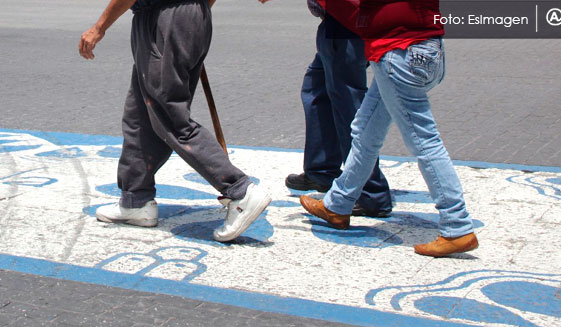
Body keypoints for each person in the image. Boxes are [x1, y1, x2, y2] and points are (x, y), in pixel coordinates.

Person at [79, 0, 271, 242]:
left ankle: (239, 190)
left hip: (163, 16)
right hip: (187, 16)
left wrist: (99, 27)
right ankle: (135, 200)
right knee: (140, 114)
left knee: (170, 116)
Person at [299, 0, 479, 257]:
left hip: (400, 52)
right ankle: (338, 204)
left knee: (423, 139)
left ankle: (457, 225)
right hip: (423, 48)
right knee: (365, 130)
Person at [259, 0, 393, 218]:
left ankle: (369, 192)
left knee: (348, 105)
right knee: (317, 88)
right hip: (344, 19)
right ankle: (321, 171)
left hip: (347, 18)